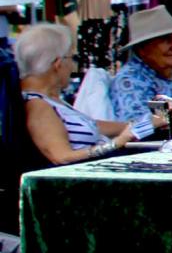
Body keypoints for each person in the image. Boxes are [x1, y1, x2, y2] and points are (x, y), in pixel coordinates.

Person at [15, 23, 136, 166]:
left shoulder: (48, 99)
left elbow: (91, 126)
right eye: (72, 58)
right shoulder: (38, 106)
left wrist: (138, 125)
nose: (73, 65)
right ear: (58, 63)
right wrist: (116, 143)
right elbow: (61, 156)